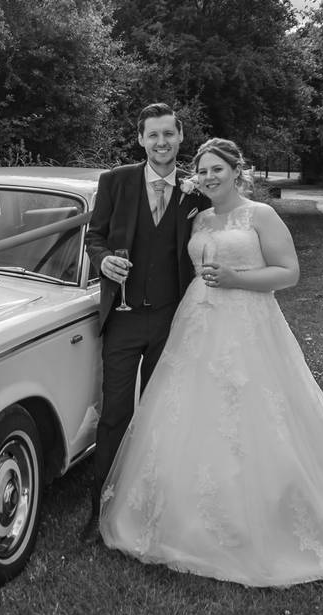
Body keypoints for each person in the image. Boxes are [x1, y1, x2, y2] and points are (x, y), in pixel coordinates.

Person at [98, 137, 323, 586]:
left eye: (218, 169)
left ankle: (264, 507)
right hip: (196, 319)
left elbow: (289, 272)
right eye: (203, 170)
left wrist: (237, 278)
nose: (210, 177)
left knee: (254, 409)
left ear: (236, 170)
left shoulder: (261, 214)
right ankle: (181, 508)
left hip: (248, 320)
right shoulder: (198, 215)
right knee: (187, 411)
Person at [82, 103, 210, 542]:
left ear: (180, 137)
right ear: (140, 139)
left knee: (165, 415)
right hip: (122, 318)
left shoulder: (195, 193)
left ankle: (157, 508)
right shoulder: (115, 182)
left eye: (168, 135)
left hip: (174, 319)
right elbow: (93, 235)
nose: (161, 143)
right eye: (152, 136)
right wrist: (103, 262)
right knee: (115, 413)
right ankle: (101, 510)